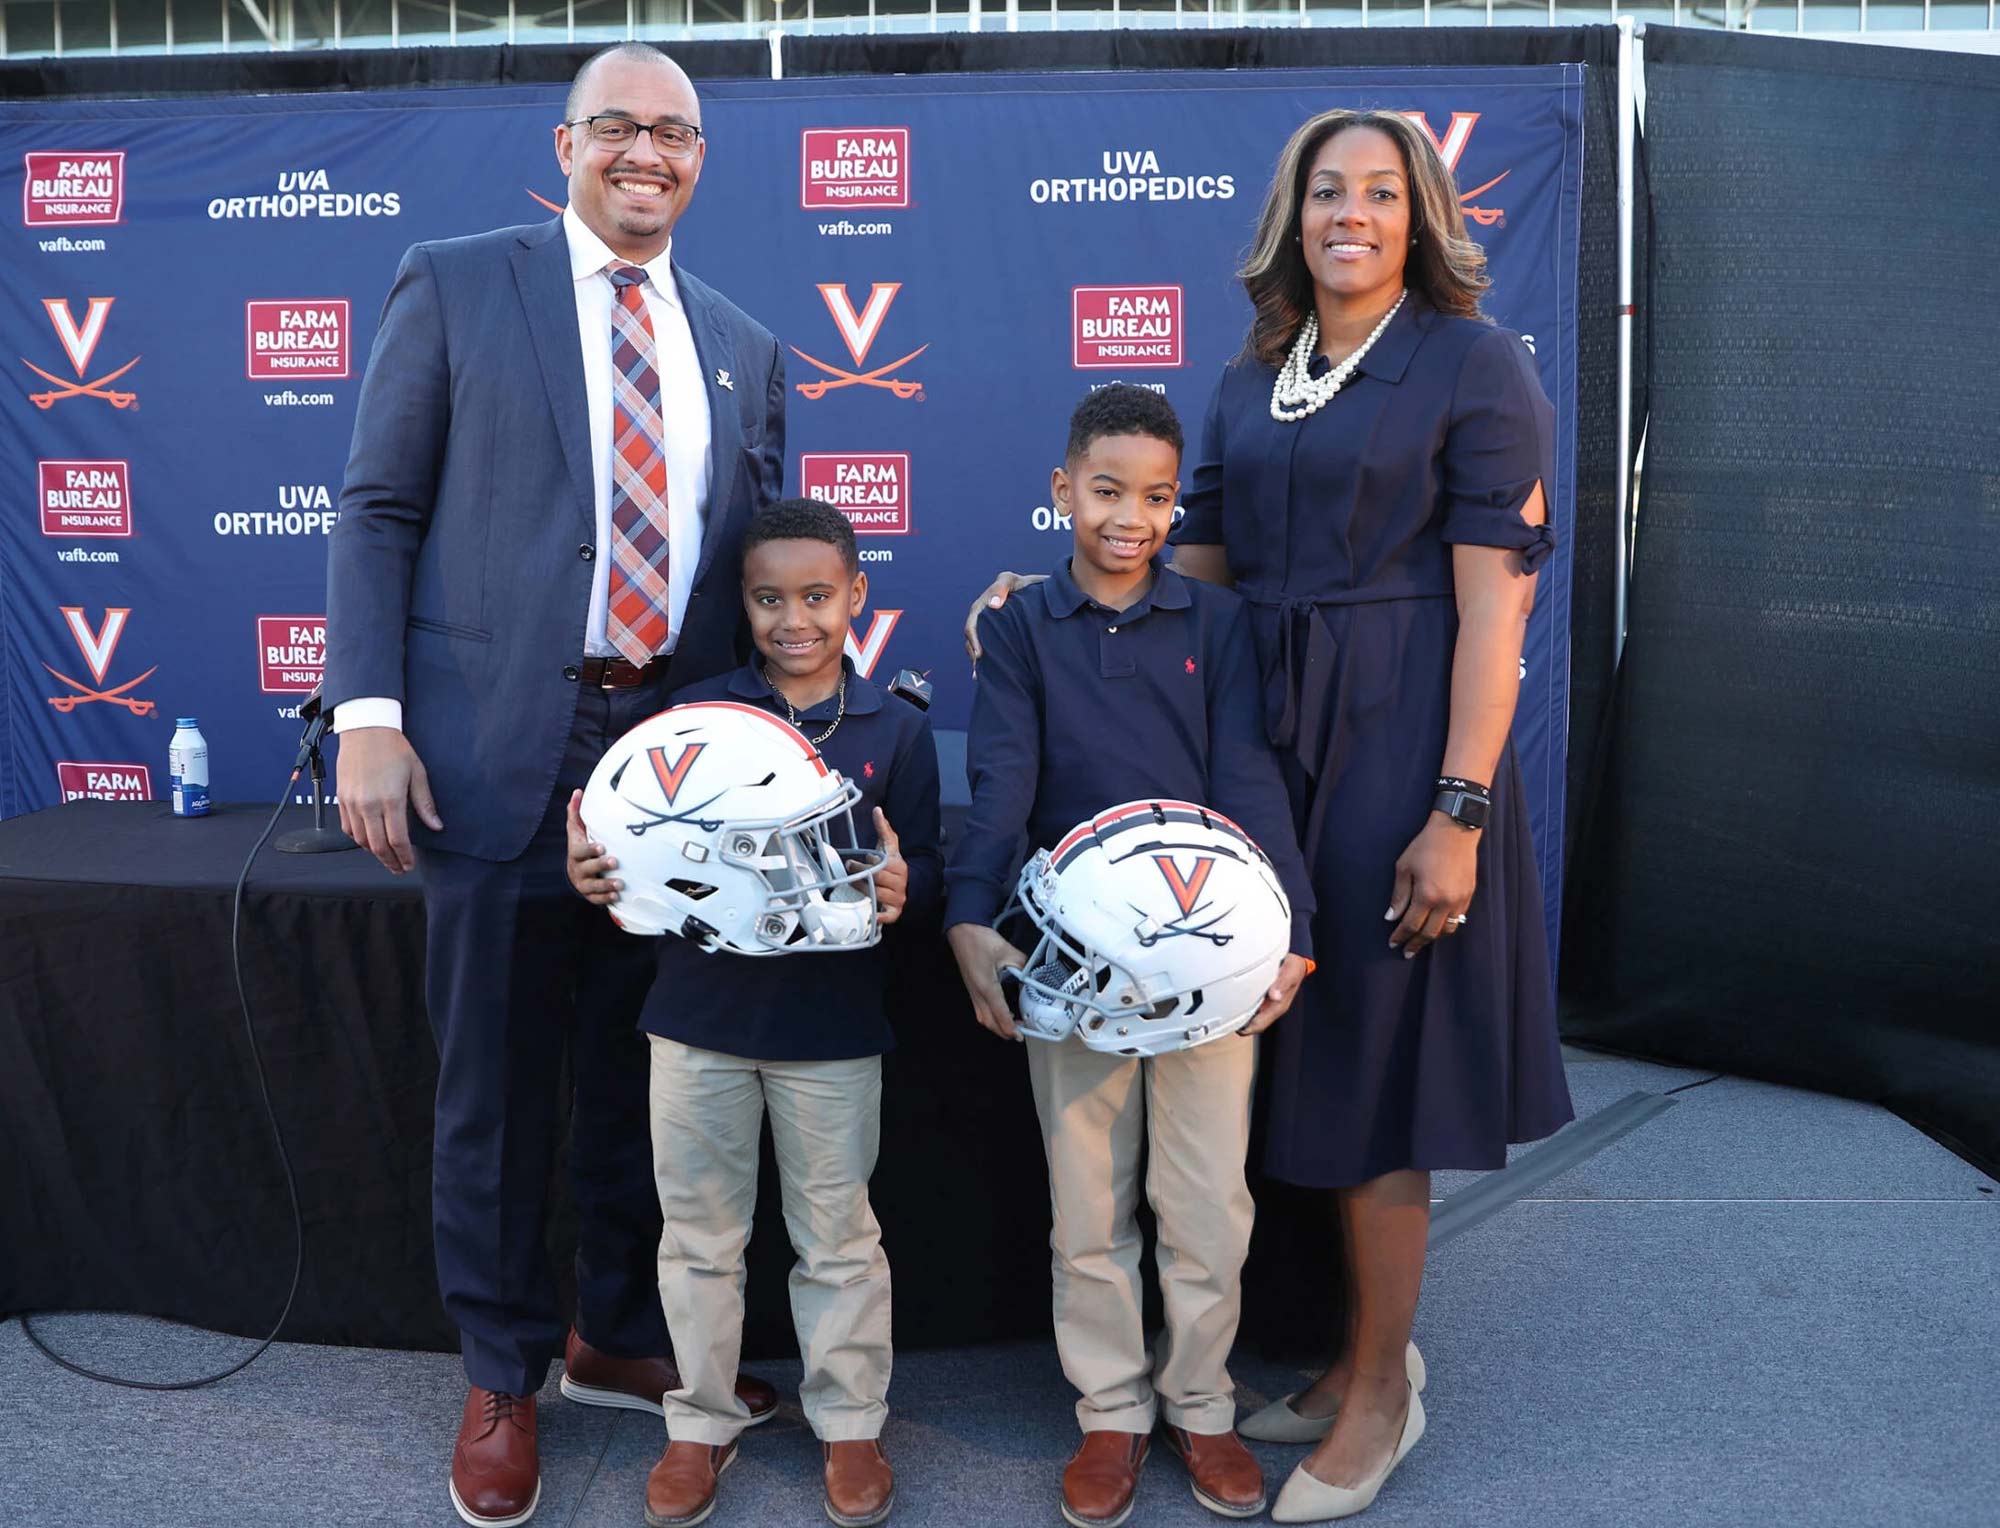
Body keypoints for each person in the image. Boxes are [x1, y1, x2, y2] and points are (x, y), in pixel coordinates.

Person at [968, 111, 1576, 1521]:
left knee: (1385, 1068)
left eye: (1379, 191)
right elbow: (1187, 557)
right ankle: (1351, 1355)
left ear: (1420, 214)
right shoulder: (1255, 379)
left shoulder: (1476, 364)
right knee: (1294, 1047)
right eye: (1325, 191)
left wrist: (1460, 807)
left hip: (1402, 735)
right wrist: (1042, 591)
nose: (1349, 213)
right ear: (1292, 217)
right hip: (1262, 733)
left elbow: (1499, 607)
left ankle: (1381, 1390)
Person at [324, 42, 785, 1528]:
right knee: (497, 1088)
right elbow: (379, 506)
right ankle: (501, 1371)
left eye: (678, 134)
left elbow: (764, 571)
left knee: (647, 1078)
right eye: (621, 128)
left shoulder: (744, 341)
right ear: (567, 142)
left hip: (679, 765)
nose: (649, 152)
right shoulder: (461, 281)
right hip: (495, 753)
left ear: (702, 161)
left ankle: (612, 1332)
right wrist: (368, 715)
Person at [945, 384, 1315, 1528]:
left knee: (1205, 1202)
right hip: (1071, 964)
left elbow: (1249, 777)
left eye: (1156, 497)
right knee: (1086, 1202)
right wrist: (968, 913)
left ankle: (1198, 1402)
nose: (1130, 518)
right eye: (1106, 491)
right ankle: (1109, 1409)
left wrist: (1290, 928)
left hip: (1207, 963)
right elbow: (999, 779)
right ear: (1062, 492)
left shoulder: (1216, 624)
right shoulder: (1014, 626)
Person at [566, 499, 940, 1528]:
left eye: (817, 596)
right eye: (769, 598)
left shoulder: (896, 729)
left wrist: (909, 888)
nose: (794, 619)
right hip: (694, 1019)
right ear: (743, 601)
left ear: (855, 595)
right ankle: (697, 1425)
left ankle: (851, 1420)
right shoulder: (687, 718)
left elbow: (927, 881)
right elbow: (626, 854)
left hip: (831, 1031)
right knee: (696, 1234)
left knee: (838, 1237)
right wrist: (591, 865)